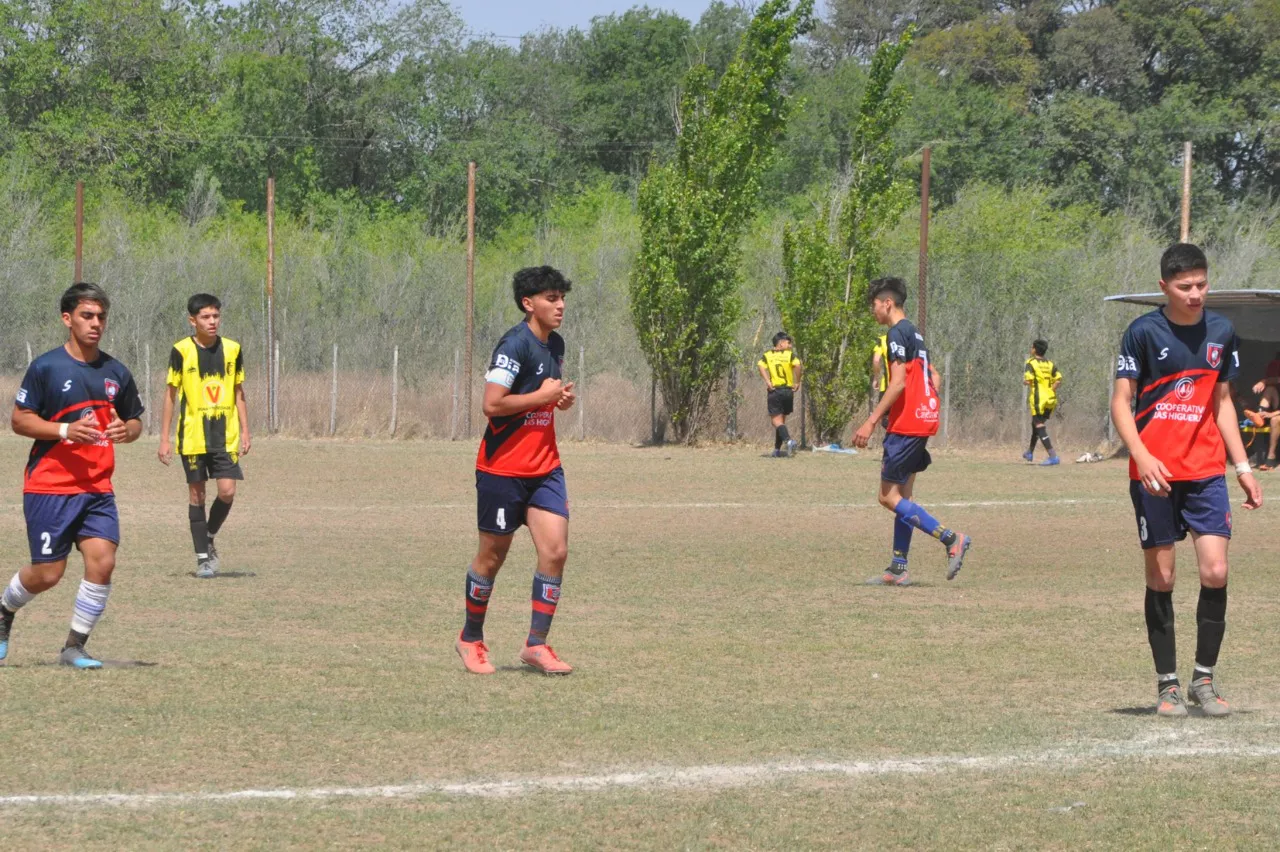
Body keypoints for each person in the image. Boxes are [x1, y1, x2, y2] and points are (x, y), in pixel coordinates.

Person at [1111, 243, 1262, 718]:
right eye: (1184, 287)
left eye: (1201, 284)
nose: (1195, 294)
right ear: (1164, 287)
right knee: (1162, 577)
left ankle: (1204, 680)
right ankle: (1168, 685)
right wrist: (1141, 455)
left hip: (1205, 471)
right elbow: (1121, 402)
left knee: (1216, 571)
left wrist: (1243, 467)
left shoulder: (1222, 331)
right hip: (1153, 474)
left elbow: (1222, 402)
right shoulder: (1142, 332)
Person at [0, 283, 144, 668]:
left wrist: (126, 430)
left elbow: (134, 422)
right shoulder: (46, 367)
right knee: (49, 574)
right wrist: (65, 430)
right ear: (67, 319)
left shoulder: (116, 371)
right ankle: (4, 610)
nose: (96, 323)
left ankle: (74, 647)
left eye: (101, 317)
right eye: (87, 316)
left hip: (97, 488)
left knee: (103, 562)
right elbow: (20, 421)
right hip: (50, 486)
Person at [456, 266, 577, 676]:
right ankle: (470, 639)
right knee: (492, 558)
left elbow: (538, 395)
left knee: (555, 552)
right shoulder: (514, 344)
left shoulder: (555, 343)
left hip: (545, 468)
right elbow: (492, 405)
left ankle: (535, 646)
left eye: (562, 298)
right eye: (551, 298)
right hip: (502, 470)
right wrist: (541, 397)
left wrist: (555, 400)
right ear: (529, 303)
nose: (560, 306)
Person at [852, 277, 971, 587]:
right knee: (904, 497)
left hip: (906, 424)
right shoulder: (915, 334)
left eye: (874, 304)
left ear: (887, 303)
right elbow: (934, 376)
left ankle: (951, 538)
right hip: (923, 421)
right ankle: (898, 568)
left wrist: (871, 420)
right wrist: (926, 402)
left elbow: (898, 383)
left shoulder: (895, 334)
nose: (873, 310)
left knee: (887, 497)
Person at [158, 294, 251, 579]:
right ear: (192, 320)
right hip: (192, 436)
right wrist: (164, 438)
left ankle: (208, 536)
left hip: (225, 435)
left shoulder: (233, 349)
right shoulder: (181, 350)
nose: (212, 322)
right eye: (206, 317)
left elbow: (238, 392)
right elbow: (170, 395)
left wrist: (246, 430)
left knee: (227, 491)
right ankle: (203, 560)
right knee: (197, 494)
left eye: (216, 316)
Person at [757, 332, 802, 457]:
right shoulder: (790, 355)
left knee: (775, 421)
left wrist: (767, 381)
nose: (790, 345)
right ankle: (777, 450)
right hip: (788, 391)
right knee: (781, 422)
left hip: (775, 391)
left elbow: (760, 366)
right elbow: (798, 366)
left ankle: (789, 441)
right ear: (781, 343)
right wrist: (797, 381)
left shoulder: (767, 355)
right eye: (788, 343)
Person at [1023, 339, 1063, 466]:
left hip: (1038, 399)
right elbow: (1058, 380)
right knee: (1036, 424)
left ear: (1034, 349)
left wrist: (1025, 382)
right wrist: (1049, 390)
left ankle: (1053, 456)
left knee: (1038, 424)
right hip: (1050, 399)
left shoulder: (1031, 363)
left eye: (1032, 347)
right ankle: (1030, 452)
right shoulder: (1050, 364)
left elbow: (1029, 380)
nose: (1031, 349)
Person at [1249, 351, 1280, 469]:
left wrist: (1272, 414)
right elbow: (1275, 380)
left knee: (1275, 420)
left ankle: (1271, 457)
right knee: (1270, 389)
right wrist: (1263, 382)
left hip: (1276, 415)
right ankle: (1259, 416)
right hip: (1274, 409)